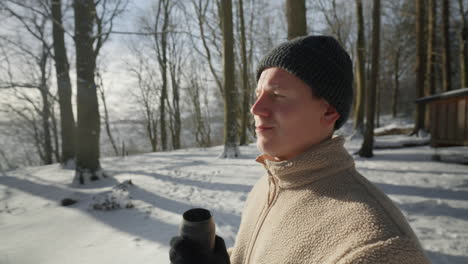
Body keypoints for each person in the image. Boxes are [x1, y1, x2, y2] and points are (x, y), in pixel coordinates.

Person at [169, 35, 431, 264]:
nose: (256, 109)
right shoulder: (270, 184)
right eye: (258, 94)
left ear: (329, 111)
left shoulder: (378, 247)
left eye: (278, 95)